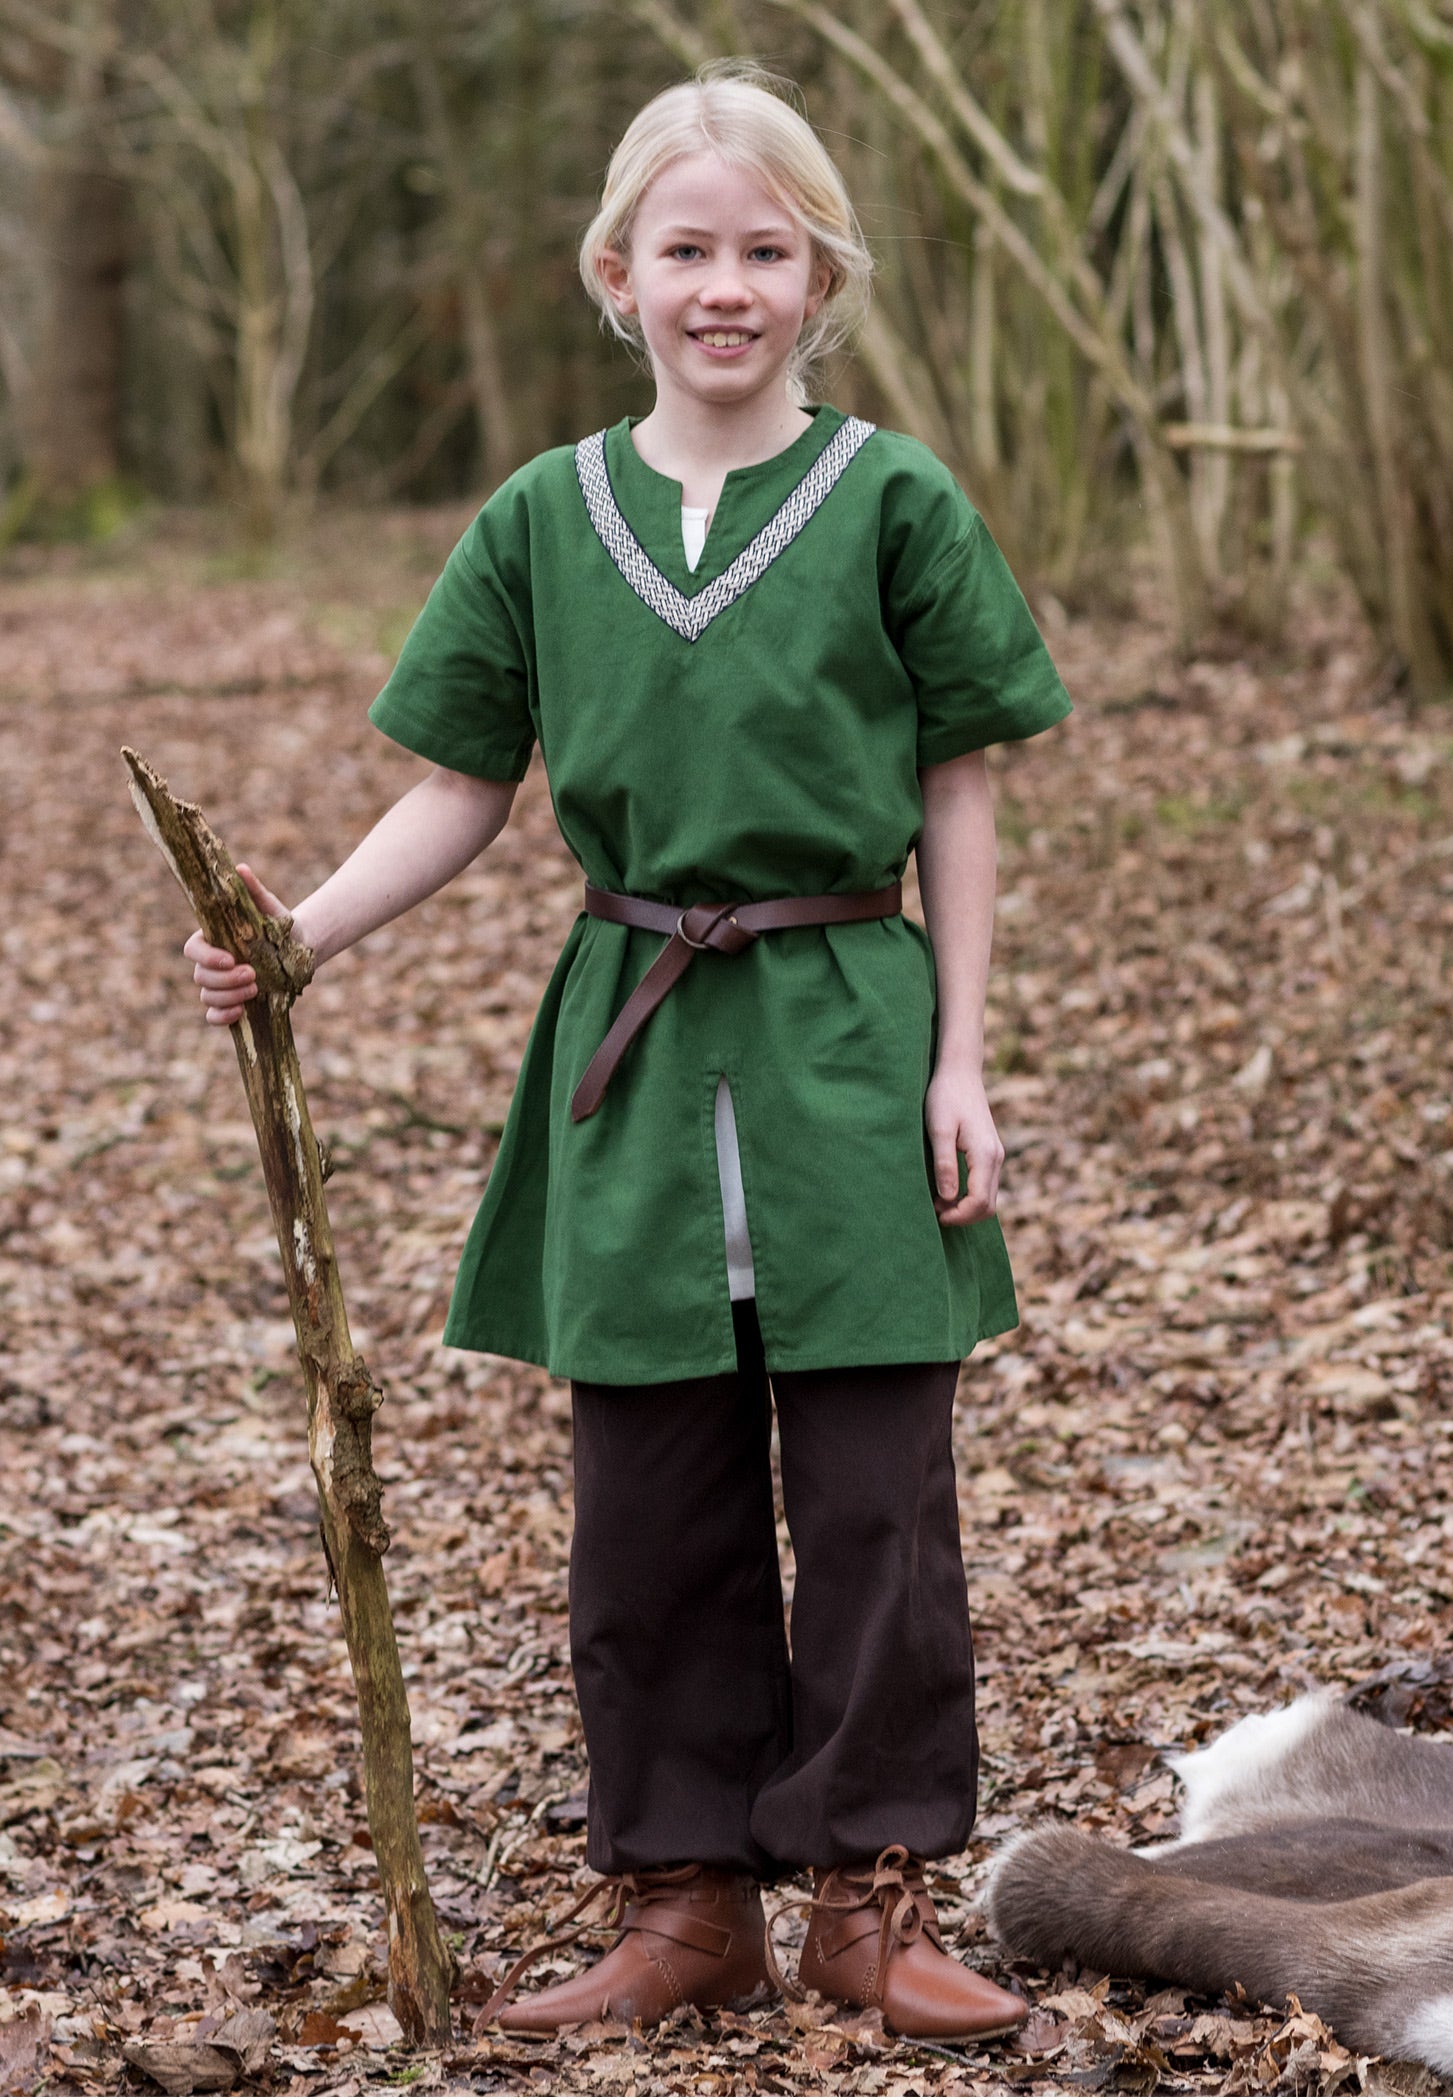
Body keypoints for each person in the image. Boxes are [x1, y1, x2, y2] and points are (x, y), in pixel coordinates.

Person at [185, 63, 1072, 2045]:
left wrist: (965, 1058)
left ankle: (866, 1895)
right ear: (619, 271)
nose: (726, 285)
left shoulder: (893, 500)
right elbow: (461, 789)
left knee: (873, 1497)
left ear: (819, 275)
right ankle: (688, 1904)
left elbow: (962, 780)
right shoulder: (542, 519)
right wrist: (297, 934)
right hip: (630, 1046)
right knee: (646, 1498)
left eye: (766, 250)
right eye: (690, 249)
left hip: (850, 1029)